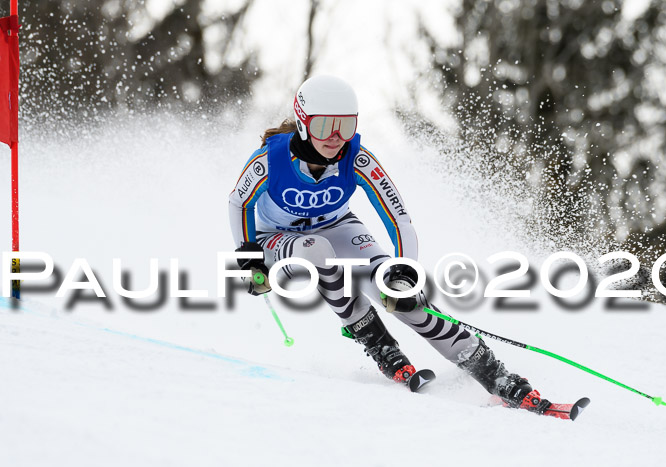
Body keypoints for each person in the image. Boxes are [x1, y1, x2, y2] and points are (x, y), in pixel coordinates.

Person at [229, 75, 548, 413]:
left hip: (336, 225)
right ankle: (375, 340)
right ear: (304, 123)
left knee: (398, 293)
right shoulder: (271, 160)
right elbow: (239, 203)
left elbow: (399, 219)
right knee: (314, 250)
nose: (335, 137)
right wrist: (250, 258)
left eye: (345, 126)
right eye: (324, 126)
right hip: (276, 237)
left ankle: (495, 375)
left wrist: (403, 273)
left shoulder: (358, 158)